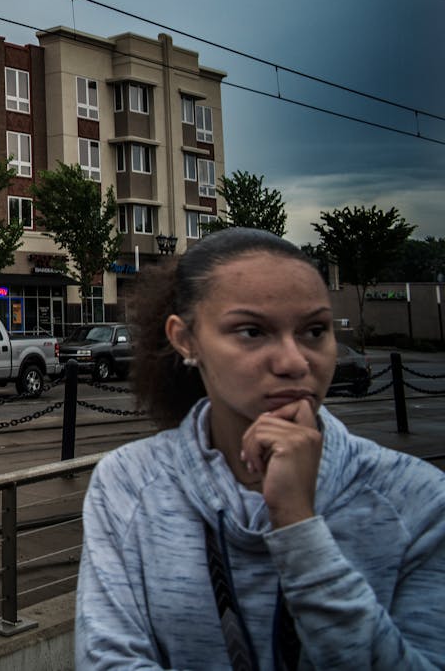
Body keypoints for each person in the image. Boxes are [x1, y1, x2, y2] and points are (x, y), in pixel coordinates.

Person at [76, 227, 445, 669]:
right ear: (185, 339)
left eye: (314, 331)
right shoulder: (129, 483)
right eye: (252, 331)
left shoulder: (418, 499)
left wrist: (298, 527)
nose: (293, 362)